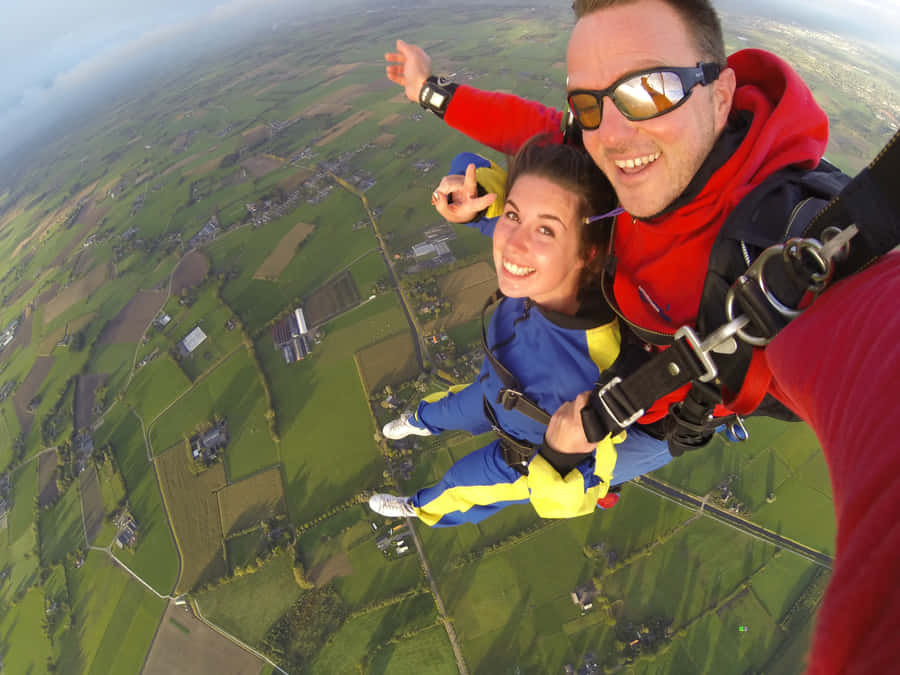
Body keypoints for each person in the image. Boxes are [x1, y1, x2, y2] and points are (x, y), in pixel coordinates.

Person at [385, 0, 846, 436]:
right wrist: (430, 90)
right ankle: (425, 420)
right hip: (598, 316)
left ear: (721, 96)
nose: (611, 136)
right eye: (589, 104)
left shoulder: (789, 247)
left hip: (640, 418)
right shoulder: (624, 159)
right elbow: (541, 131)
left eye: (651, 90)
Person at [368, 139, 672, 526]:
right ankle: (417, 422)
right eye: (513, 216)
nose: (512, 242)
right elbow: (470, 166)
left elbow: (575, 494)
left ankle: (416, 505)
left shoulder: (602, 366)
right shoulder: (549, 267)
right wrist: (476, 192)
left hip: (524, 456)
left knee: (458, 488)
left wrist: (561, 457)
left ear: (587, 253)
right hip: (490, 390)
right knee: (441, 409)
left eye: (545, 229)